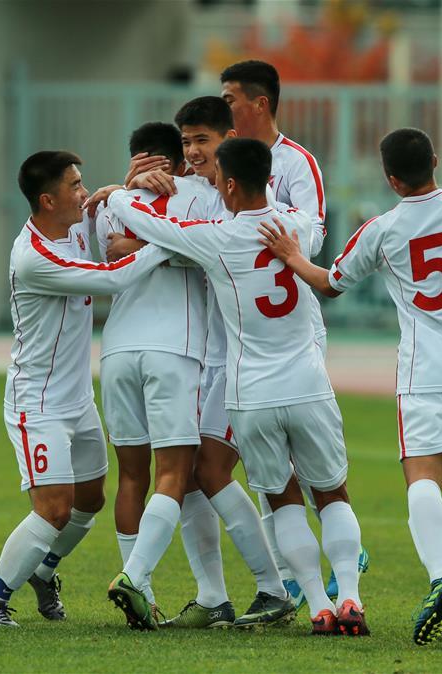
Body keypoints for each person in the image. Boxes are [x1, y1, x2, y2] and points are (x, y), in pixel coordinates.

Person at [256, 128, 442, 644]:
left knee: (422, 477)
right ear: (436, 160)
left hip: (424, 372)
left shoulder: (382, 229)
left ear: (391, 179)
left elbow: (331, 283)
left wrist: (292, 254)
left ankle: (440, 576)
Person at [105, 138, 369, 637]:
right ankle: (350, 596)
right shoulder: (297, 227)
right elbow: (319, 242)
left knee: (284, 499)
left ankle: (316, 603)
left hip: (251, 395)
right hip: (309, 384)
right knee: (333, 496)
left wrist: (119, 193)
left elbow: (153, 225)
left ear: (228, 184)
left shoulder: (217, 237)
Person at [95, 98, 298, 631]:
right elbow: (123, 244)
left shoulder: (224, 198)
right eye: (185, 143)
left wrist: (124, 203)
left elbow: (131, 246)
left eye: (201, 141)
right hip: (194, 353)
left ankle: (244, 591)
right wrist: (132, 208)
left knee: (186, 473)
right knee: (185, 475)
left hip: (216, 356)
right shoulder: (192, 196)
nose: (191, 152)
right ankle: (205, 592)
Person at [0, 151, 172, 627]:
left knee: (90, 500)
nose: (84, 192)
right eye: (75, 186)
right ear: (47, 199)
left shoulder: (75, 223)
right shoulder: (35, 257)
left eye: (82, 183)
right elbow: (116, 277)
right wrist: (177, 239)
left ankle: (44, 570)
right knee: (54, 509)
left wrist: (128, 185)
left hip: (78, 398)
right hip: (36, 404)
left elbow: (108, 227)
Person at [220, 58, 369, 603]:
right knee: (279, 474)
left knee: (291, 479)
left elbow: (312, 237)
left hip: (290, 335)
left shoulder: (298, 162)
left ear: (260, 103)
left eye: (232, 97)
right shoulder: (219, 157)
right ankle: (298, 575)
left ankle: (306, 576)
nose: (226, 107)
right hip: (242, 325)